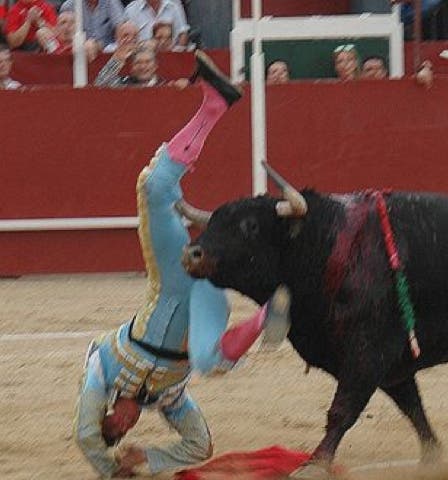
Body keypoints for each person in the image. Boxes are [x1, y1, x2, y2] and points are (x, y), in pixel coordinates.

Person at [74, 49, 291, 478]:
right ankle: (273, 312)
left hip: (173, 278)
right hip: (203, 307)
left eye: (112, 425)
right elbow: (199, 445)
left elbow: (84, 434)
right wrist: (149, 460)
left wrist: (107, 468)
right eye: (123, 432)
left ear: (107, 409)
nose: (123, 426)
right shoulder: (169, 400)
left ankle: (214, 104)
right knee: (210, 362)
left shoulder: (104, 368)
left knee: (154, 187)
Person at [59, 0, 125, 49]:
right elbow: (64, 38)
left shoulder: (111, 2)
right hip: (80, 53)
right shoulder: (69, 6)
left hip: (107, 52)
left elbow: (122, 30)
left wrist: (98, 46)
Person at [124, 0, 189, 48]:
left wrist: (177, 53)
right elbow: (128, 41)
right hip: (142, 58)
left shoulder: (174, 5)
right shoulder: (131, 10)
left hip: (171, 55)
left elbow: (183, 34)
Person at [94, 44, 163, 86]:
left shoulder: (163, 85)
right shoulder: (124, 84)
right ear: (132, 67)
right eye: (138, 63)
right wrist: (117, 60)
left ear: (155, 65)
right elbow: (100, 83)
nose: (143, 67)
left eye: (147, 62)